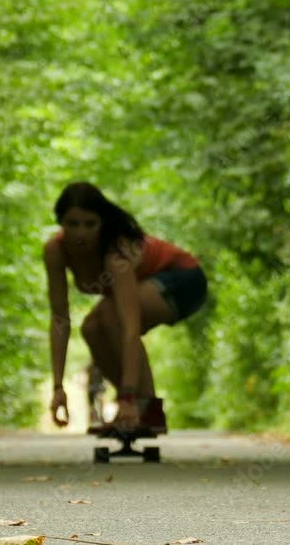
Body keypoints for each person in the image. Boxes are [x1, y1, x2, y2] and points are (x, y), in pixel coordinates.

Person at [44, 181, 207, 431]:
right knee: (91, 328)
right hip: (149, 286)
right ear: (60, 223)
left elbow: (130, 327)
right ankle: (141, 410)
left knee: (111, 316)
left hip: (183, 279)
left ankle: (142, 406)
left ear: (102, 223)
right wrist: (58, 387)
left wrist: (127, 397)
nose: (80, 234)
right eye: (72, 224)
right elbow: (59, 319)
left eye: (90, 224)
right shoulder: (55, 251)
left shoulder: (115, 253)